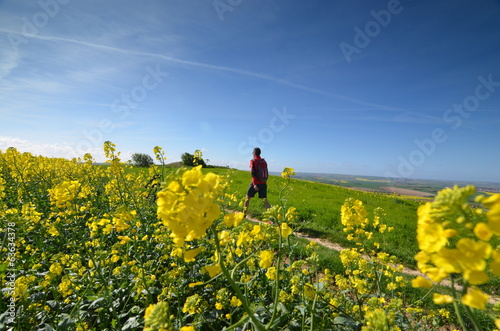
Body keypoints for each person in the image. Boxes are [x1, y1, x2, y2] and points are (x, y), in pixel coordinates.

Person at [243, 147, 271, 217]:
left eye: (252, 152)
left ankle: (243, 214)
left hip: (256, 183)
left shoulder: (253, 161)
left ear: (254, 153)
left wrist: (255, 184)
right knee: (265, 201)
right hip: (264, 183)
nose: (252, 154)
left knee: (247, 198)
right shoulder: (264, 161)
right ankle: (273, 217)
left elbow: (253, 173)